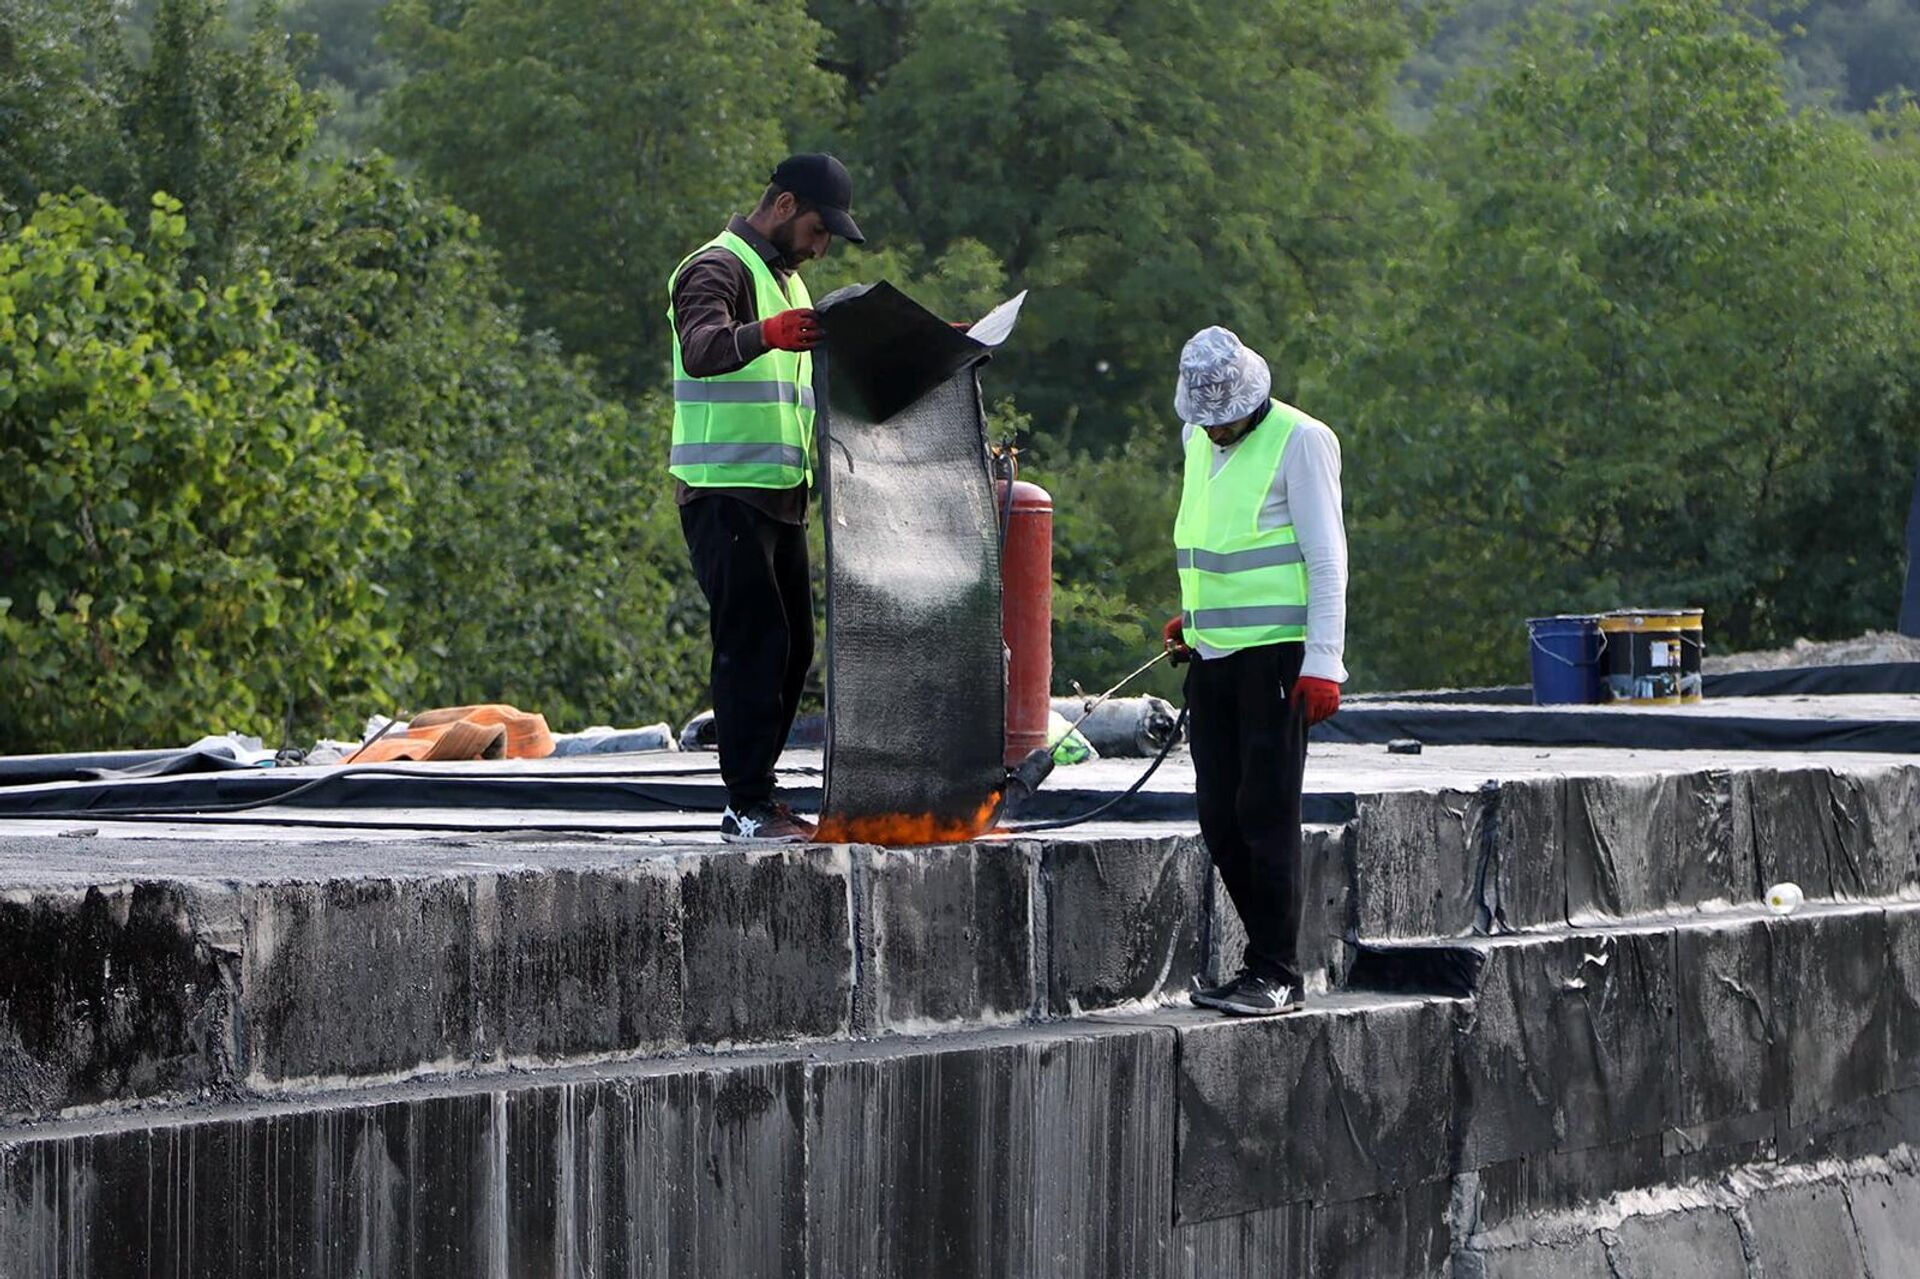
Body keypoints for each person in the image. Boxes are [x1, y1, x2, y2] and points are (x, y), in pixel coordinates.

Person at [668, 153, 865, 843]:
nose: (821, 245)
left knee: (792, 649)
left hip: (780, 495)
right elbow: (701, 346)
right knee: (753, 645)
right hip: (724, 489)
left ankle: (760, 794)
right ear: (783, 206)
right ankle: (747, 801)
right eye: (818, 229)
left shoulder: (792, 285)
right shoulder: (715, 268)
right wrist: (765, 336)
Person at [1163, 326, 1348, 1015]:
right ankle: (1262, 960)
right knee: (1218, 814)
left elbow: (1326, 559)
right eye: (1204, 421)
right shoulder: (1198, 439)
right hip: (1213, 654)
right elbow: (1212, 537)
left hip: (1279, 658)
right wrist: (1194, 615)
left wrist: (1324, 661)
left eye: (1224, 419)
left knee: (1264, 813)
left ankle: (1275, 971)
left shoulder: (1301, 441)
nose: (1214, 431)